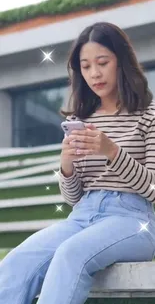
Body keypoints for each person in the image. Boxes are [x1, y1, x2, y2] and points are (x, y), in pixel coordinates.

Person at [0, 22, 155, 304]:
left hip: (133, 219)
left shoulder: (149, 114)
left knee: (71, 254)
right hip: (83, 216)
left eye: (102, 62)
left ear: (122, 62)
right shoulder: (81, 120)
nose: (94, 73)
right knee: (17, 262)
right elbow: (73, 198)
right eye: (85, 66)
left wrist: (112, 152)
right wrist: (67, 165)